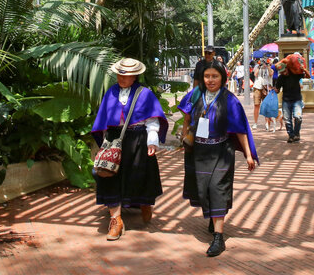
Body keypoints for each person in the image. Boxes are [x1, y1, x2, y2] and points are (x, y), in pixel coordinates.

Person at [179, 61, 258, 257]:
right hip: (199, 151)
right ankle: (214, 217)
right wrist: (184, 136)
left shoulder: (230, 100)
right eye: (207, 76)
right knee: (203, 189)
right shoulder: (195, 95)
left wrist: (248, 154)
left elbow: (239, 129)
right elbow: (187, 118)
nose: (211, 80)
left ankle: (218, 238)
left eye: (215, 76)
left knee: (217, 188)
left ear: (223, 77)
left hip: (222, 151)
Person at [91, 58, 169, 240]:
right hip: (113, 139)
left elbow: (152, 119)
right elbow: (103, 117)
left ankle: (144, 203)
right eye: (119, 74)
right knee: (108, 176)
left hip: (138, 139)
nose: (121, 78)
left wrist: (152, 140)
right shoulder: (111, 92)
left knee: (140, 176)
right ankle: (116, 220)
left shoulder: (145, 94)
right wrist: (104, 145)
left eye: (126, 75)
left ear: (135, 76)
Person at [274, 53, 310, 143]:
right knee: (287, 120)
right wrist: (275, 90)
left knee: (298, 117)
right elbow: (277, 89)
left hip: (297, 99)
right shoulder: (280, 78)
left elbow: (308, 77)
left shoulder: (295, 74)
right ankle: (291, 135)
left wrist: (304, 69)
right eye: (281, 72)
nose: (283, 73)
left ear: (287, 68)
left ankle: (296, 133)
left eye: (284, 71)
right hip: (286, 100)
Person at [253, 58, 273, 129]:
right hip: (257, 87)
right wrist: (259, 66)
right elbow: (255, 74)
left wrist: (268, 66)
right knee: (256, 105)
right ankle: (255, 123)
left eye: (265, 63)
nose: (264, 64)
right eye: (263, 63)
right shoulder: (258, 68)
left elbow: (271, 74)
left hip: (266, 88)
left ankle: (267, 123)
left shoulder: (269, 69)